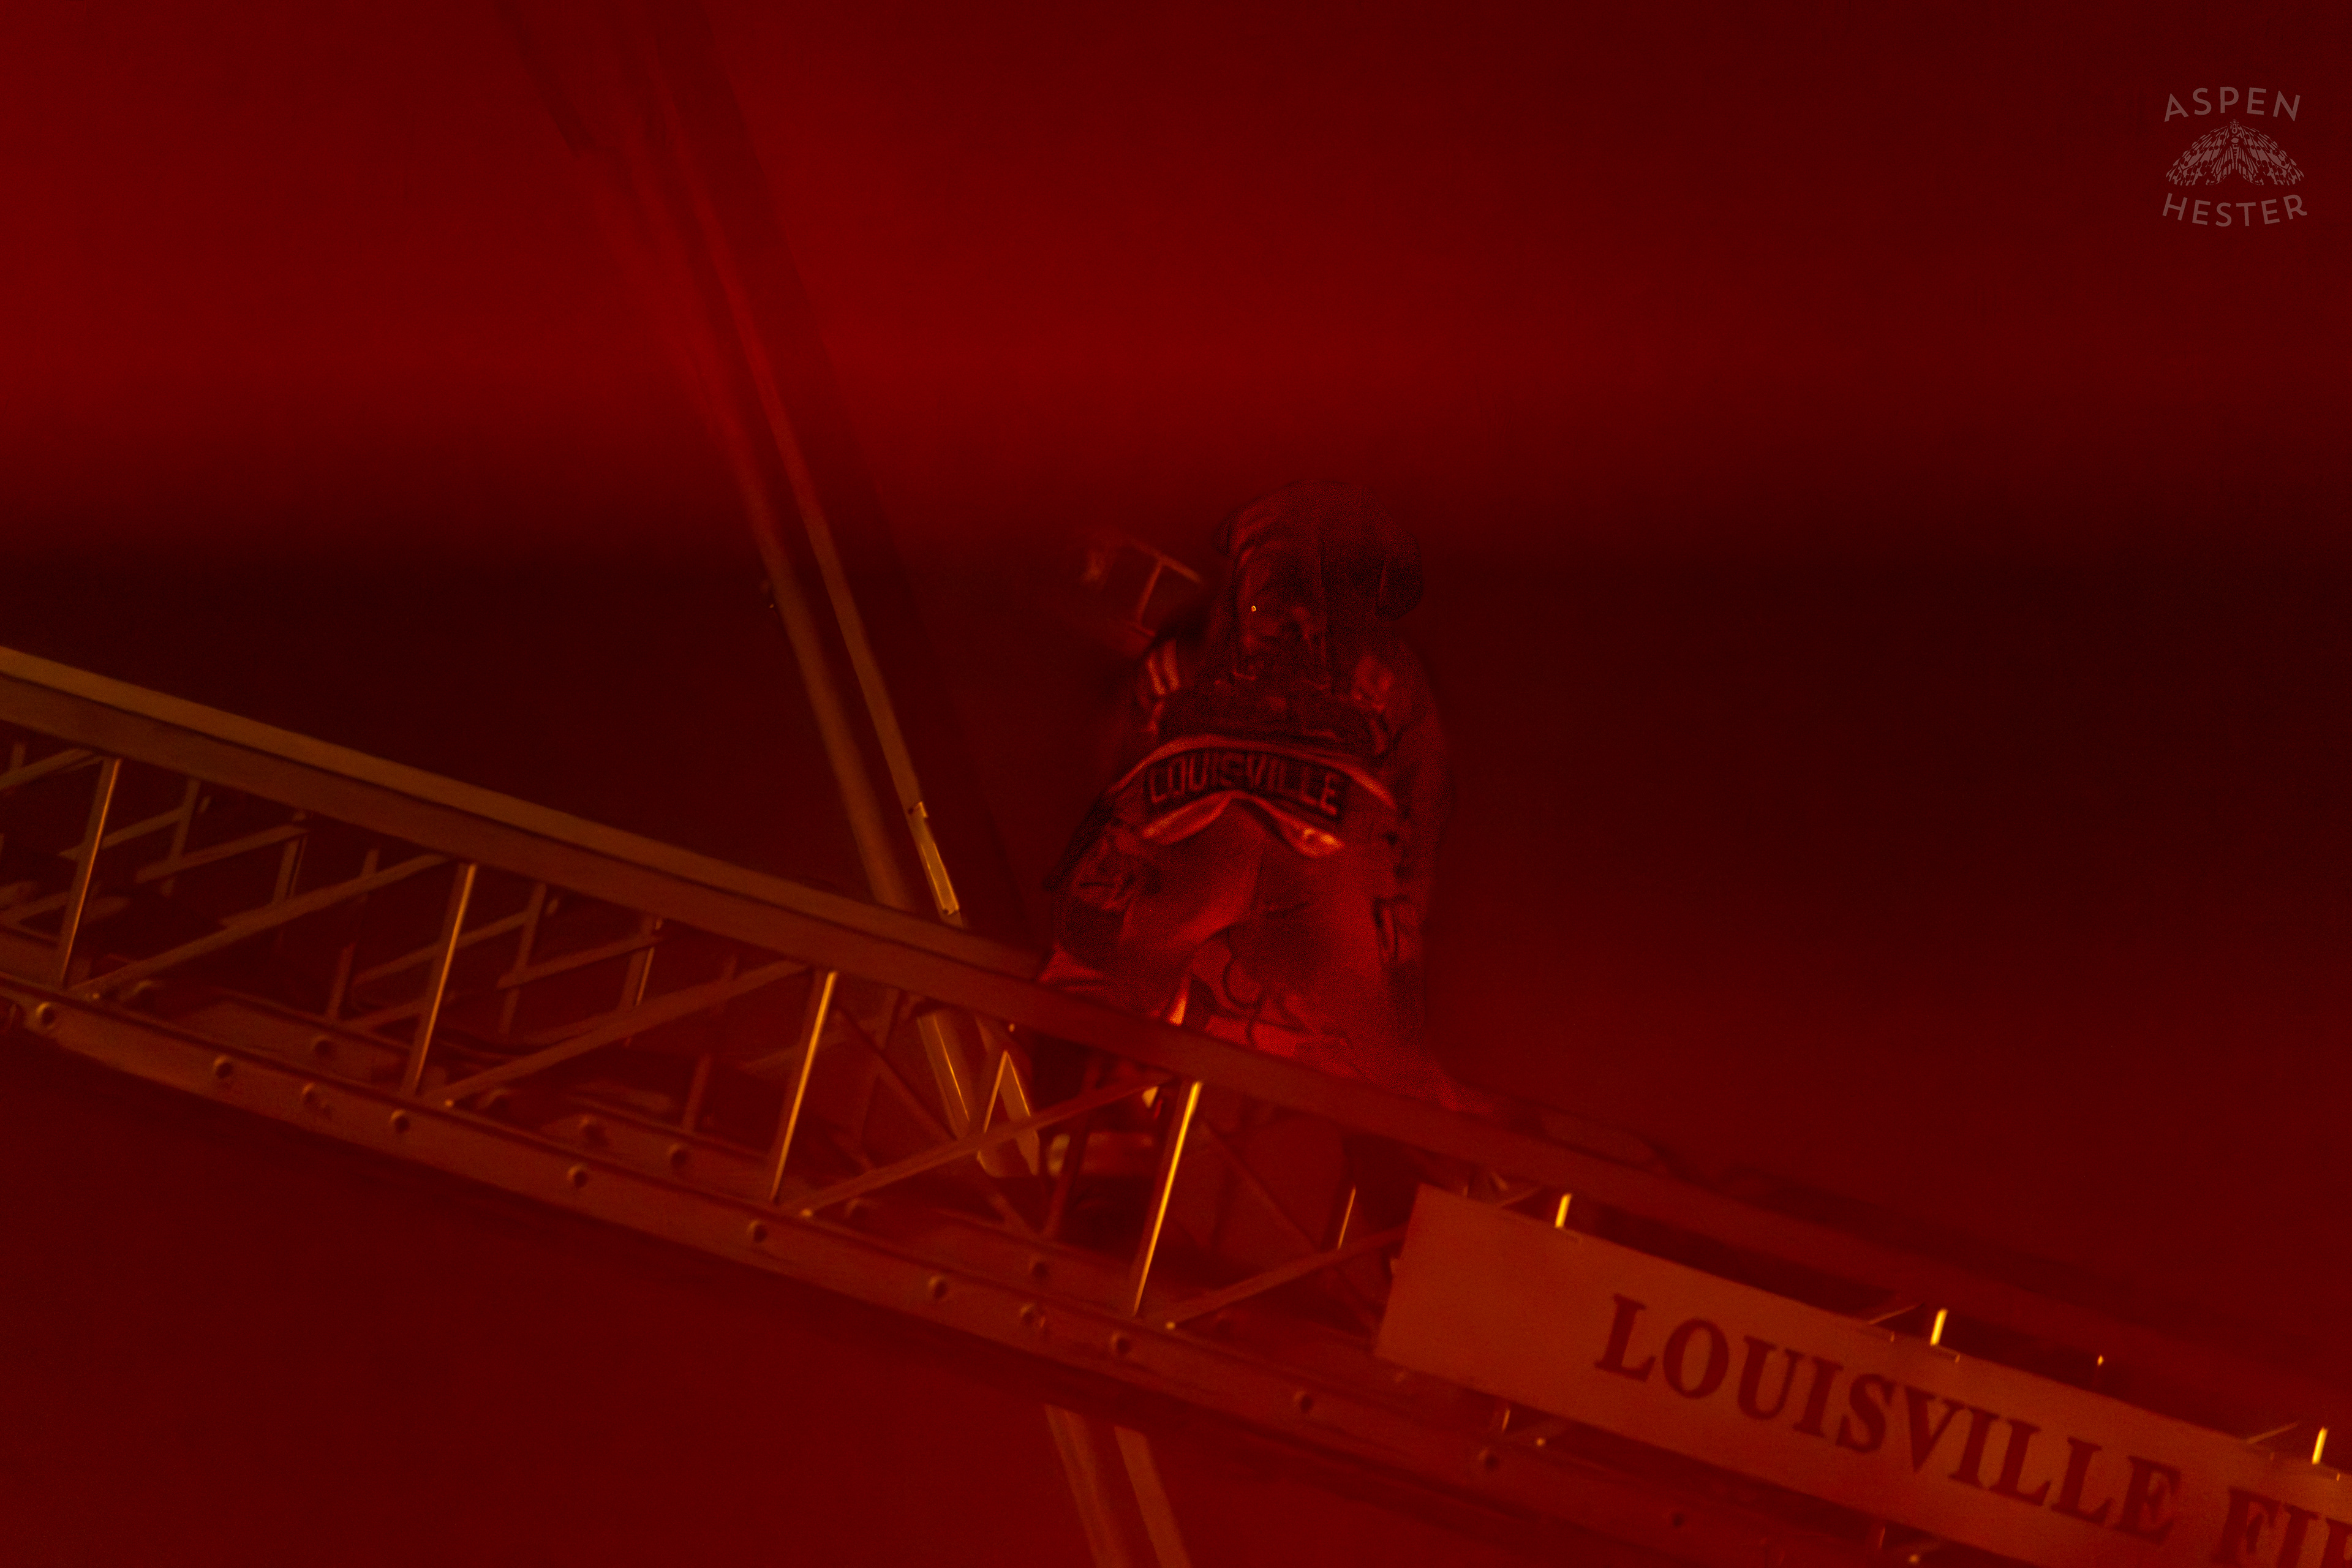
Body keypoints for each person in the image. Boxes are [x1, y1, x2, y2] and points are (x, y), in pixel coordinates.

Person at [1041, 480, 1486, 1110]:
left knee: (1090, 995)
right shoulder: (1394, 673)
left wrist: (1111, 875)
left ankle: (1097, 1166)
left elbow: (1123, 758)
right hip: (1335, 863)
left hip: (1182, 833)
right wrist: (1401, 921)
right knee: (1379, 1055)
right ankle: (1407, 1172)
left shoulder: (1192, 642)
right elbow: (1428, 796)